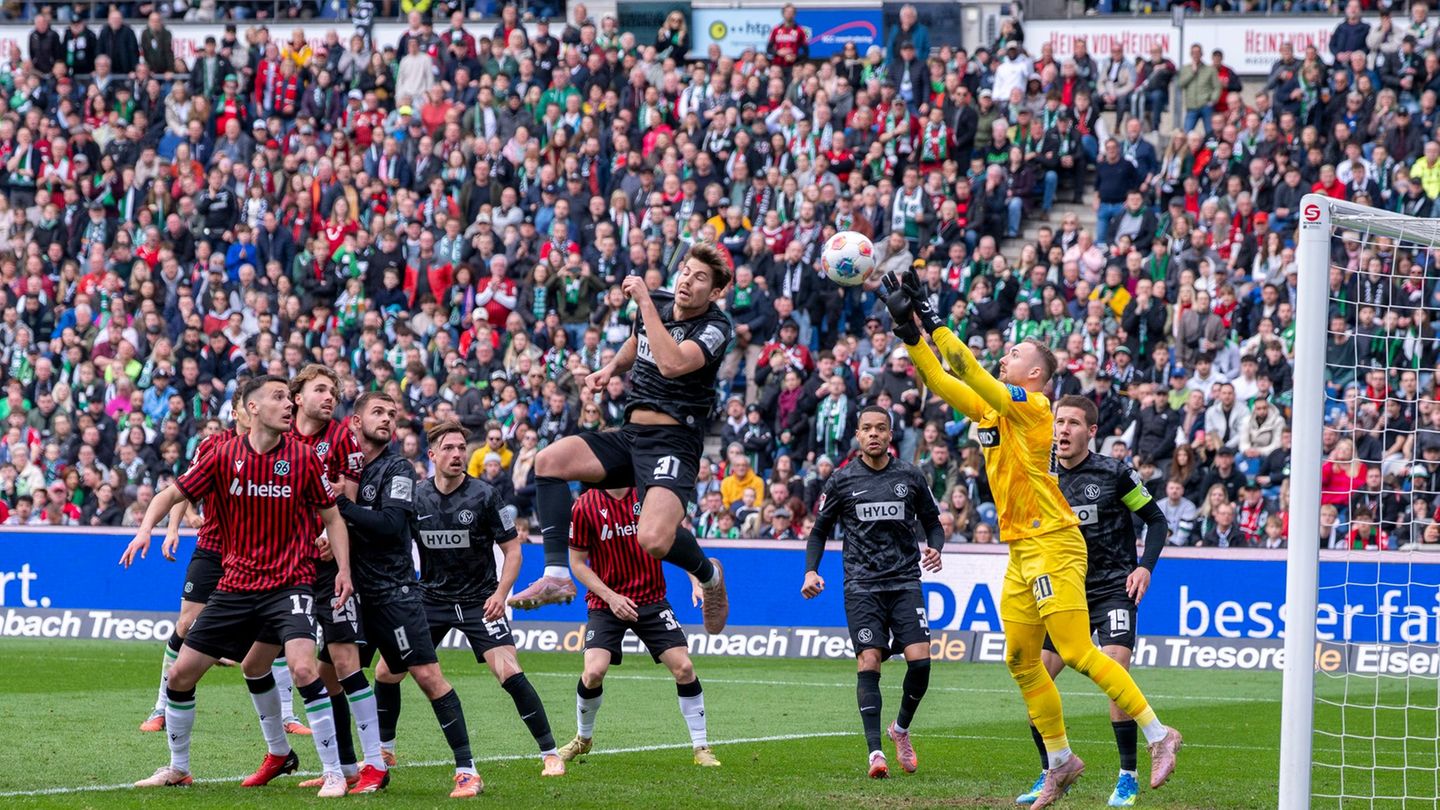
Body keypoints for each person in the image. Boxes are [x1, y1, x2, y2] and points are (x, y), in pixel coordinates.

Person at [880, 269, 1182, 808]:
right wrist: (909, 333)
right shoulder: (994, 409)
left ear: (1035, 372)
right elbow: (946, 381)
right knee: (1020, 660)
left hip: (1057, 542)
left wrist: (931, 317)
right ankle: (1062, 763)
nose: (1004, 355)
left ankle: (1160, 735)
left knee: (1075, 650)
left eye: (1014, 351)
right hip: (1021, 550)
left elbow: (967, 366)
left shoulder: (1035, 407)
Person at [119, 375, 353, 797]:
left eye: (289, 397)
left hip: (289, 584)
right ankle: (179, 768)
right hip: (236, 586)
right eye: (278, 397)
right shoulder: (222, 456)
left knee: (302, 667)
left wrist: (343, 570)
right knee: (180, 676)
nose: (288, 405)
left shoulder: (303, 458)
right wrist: (145, 531)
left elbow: (333, 518)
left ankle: (334, 771)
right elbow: (169, 495)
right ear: (251, 409)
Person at [511, 245, 733, 637]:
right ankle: (558, 574)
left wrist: (645, 301)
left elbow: (673, 363)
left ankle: (709, 573)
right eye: (686, 271)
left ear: (715, 292)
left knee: (652, 540)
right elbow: (638, 341)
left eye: (700, 278)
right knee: (548, 462)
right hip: (631, 435)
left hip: (673, 442)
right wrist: (609, 367)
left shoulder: (716, 327)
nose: (687, 280)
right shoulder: (658, 304)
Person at [378, 420, 564, 778]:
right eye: (448, 448)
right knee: (387, 671)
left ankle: (550, 752)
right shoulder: (416, 497)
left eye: (462, 448)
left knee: (509, 671)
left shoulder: (484, 495)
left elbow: (513, 552)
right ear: (431, 455)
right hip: (430, 599)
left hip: (481, 600)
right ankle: (386, 750)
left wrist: (500, 594)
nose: (457, 454)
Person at [1015, 396, 1169, 808]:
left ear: (1092, 431)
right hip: (1064, 591)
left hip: (1113, 587)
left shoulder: (1114, 473)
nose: (1062, 430)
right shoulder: (1042, 477)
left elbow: (1156, 521)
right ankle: (1052, 769)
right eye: (1058, 422)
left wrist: (1145, 567)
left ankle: (1127, 777)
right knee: (1037, 680)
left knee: (1114, 672)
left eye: (1072, 423)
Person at [337, 392, 484, 798]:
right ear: (355, 421)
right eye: (378, 413)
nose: (387, 420)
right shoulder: (341, 468)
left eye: (391, 415)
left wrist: (337, 507)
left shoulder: (397, 467)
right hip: (351, 591)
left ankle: (467, 769)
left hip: (392, 592)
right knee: (331, 676)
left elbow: (387, 525)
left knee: (427, 676)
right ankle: (347, 770)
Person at [801, 406, 945, 778]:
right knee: (869, 661)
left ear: (890, 434)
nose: (874, 434)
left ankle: (899, 729)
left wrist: (936, 546)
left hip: (904, 581)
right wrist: (811, 571)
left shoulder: (910, 476)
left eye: (881, 428)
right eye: (867, 429)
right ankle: (875, 754)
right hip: (861, 585)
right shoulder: (842, 480)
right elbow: (819, 531)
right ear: (858, 434)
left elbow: (932, 521)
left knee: (921, 661)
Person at [275, 364, 388, 793]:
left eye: (334, 391)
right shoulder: (279, 439)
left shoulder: (341, 436)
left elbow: (348, 494)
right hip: (285, 568)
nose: (329, 396)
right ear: (297, 396)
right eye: (320, 389)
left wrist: (328, 531)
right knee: (279, 665)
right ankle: (339, 766)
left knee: (344, 663)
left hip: (328, 565)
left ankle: (374, 764)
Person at [560, 486, 720, 768]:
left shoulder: (648, 497)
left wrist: (695, 579)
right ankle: (583, 739)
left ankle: (701, 747)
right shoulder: (584, 505)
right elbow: (577, 563)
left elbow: (677, 541)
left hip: (651, 599)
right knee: (594, 671)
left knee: (684, 668)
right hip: (605, 602)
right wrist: (611, 597)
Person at [139, 400, 262, 732]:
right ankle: (161, 707)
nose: (256, 413)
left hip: (256, 553)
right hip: (213, 546)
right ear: (236, 413)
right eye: (248, 407)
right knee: (186, 622)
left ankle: (289, 718)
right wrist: (173, 528)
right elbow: (183, 490)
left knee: (272, 633)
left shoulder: (279, 449)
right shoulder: (215, 446)